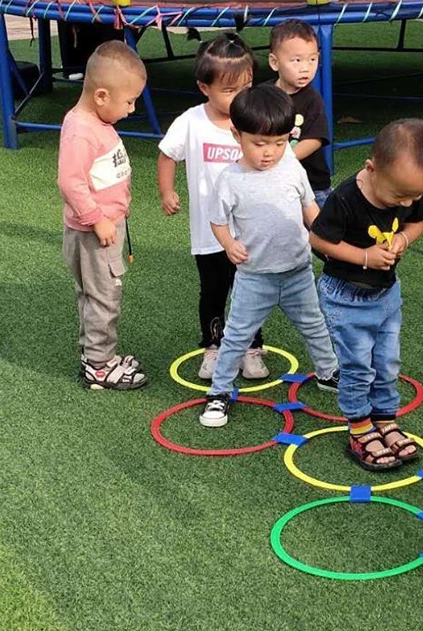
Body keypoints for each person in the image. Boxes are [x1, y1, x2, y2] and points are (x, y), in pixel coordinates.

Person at [199, 84, 339, 427]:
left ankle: (328, 373)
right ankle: (219, 392)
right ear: (237, 135)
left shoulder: (292, 168)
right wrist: (229, 244)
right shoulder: (230, 180)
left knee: (315, 325)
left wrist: (326, 238)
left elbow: (309, 207)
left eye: (279, 143)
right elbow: (217, 222)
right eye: (259, 144)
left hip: (297, 272)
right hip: (254, 276)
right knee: (237, 334)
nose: (270, 153)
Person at [310, 119, 423, 471]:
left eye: (415, 195)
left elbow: (418, 222)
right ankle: (359, 427)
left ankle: (385, 419)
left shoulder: (407, 188)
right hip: (345, 297)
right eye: (400, 196)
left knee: (386, 363)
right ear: (371, 169)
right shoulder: (345, 198)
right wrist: (365, 257)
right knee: (358, 368)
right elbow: (318, 240)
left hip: (386, 295)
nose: (409, 201)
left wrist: (402, 239)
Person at [157, 33, 270, 381]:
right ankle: (214, 345)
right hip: (209, 232)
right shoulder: (191, 122)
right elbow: (166, 154)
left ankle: (252, 346)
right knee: (214, 290)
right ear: (205, 88)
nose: (240, 97)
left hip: (250, 230)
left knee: (251, 290)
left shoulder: (252, 120)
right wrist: (166, 191)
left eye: (247, 87)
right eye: (230, 90)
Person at [58, 41, 148, 390]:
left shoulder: (94, 121)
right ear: (100, 96)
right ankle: (99, 365)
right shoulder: (82, 130)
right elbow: (70, 181)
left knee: (96, 294)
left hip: (105, 227)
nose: (131, 108)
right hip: (95, 233)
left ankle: (97, 355)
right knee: (103, 296)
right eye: (128, 101)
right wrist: (97, 219)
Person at [267, 19, 333, 207]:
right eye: (297, 60)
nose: (305, 68)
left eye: (312, 59)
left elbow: (316, 139)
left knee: (321, 230)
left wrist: (284, 157)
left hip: (312, 184)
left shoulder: (312, 99)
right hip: (272, 181)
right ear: (274, 62)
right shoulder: (263, 95)